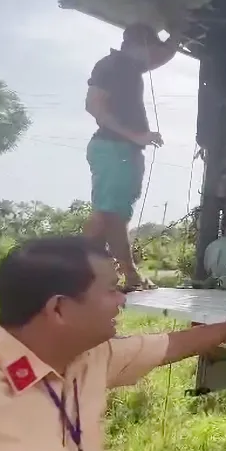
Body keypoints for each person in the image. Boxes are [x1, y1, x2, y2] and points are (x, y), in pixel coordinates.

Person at [0, 236, 226, 451]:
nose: (121, 300)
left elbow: (176, 345)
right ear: (59, 309)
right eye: (110, 290)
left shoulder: (92, 358)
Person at [83, 23, 181, 292]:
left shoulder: (131, 67)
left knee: (108, 216)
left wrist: (178, 32)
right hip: (114, 149)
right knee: (111, 216)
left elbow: (163, 55)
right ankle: (127, 275)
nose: (154, 60)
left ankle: (86, 276)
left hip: (122, 150)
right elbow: (93, 105)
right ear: (139, 46)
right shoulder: (111, 65)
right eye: (151, 51)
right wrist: (134, 136)